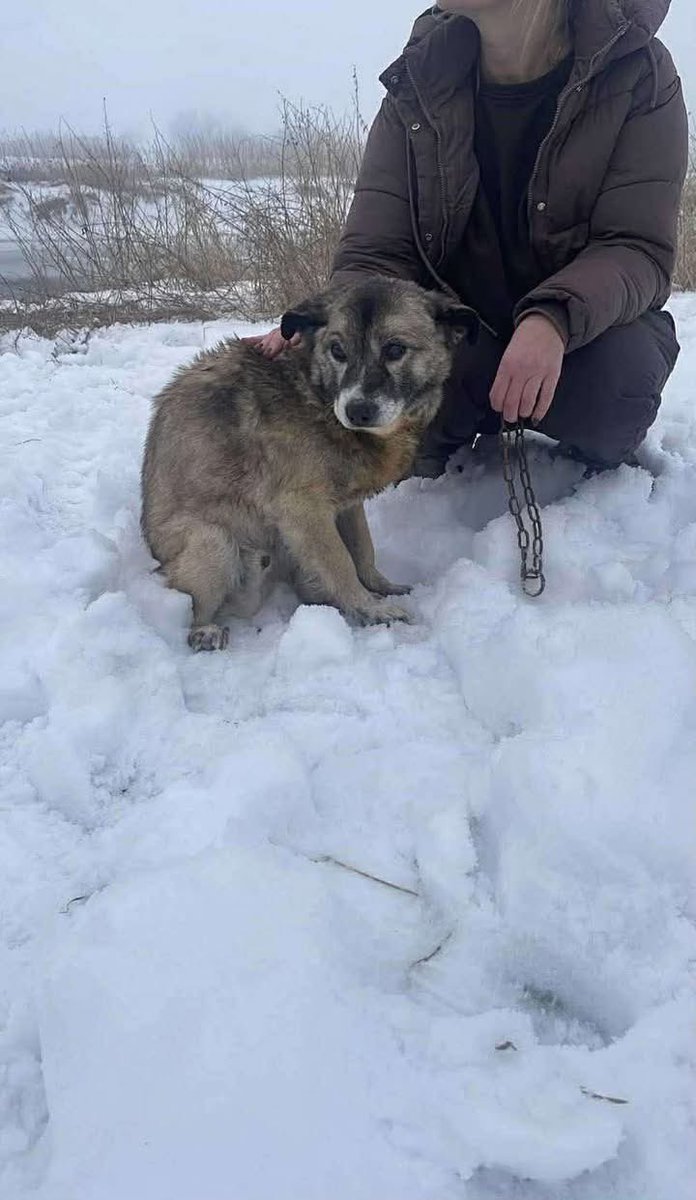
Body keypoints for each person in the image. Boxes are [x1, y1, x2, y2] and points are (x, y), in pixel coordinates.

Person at [247, 0, 688, 476]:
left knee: (616, 386)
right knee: (382, 396)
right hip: (460, 335)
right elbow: (377, 250)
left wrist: (553, 319)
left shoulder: (639, 72)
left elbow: (635, 247)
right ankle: (449, 431)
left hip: (581, 336)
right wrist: (328, 319)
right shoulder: (418, 80)